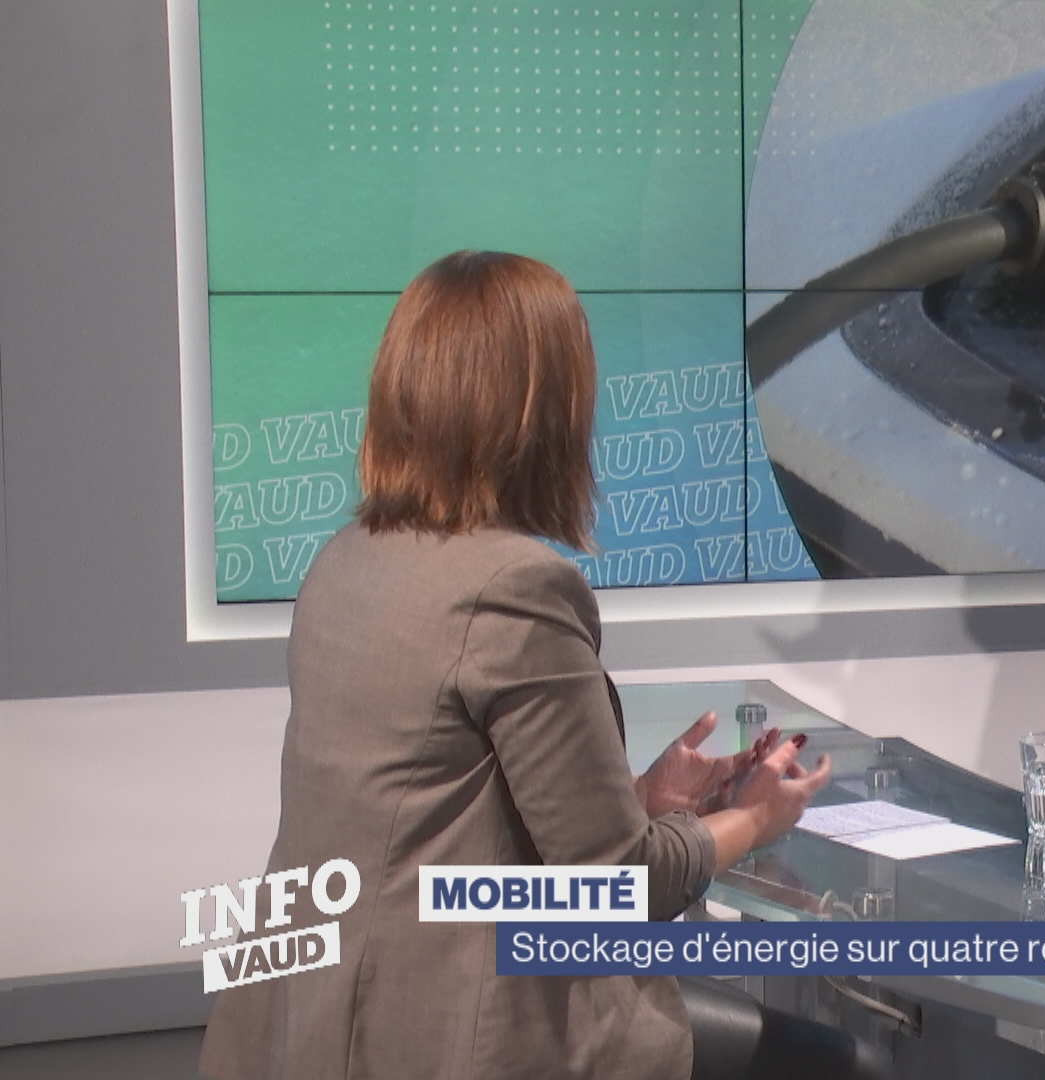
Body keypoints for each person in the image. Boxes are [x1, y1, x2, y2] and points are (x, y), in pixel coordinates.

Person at [199, 251, 880, 1080]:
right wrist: (755, 818)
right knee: (846, 1066)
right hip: (457, 1037)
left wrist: (640, 802)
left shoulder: (347, 561)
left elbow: (439, 825)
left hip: (314, 1027)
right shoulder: (513, 588)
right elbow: (618, 892)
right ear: (543, 416)